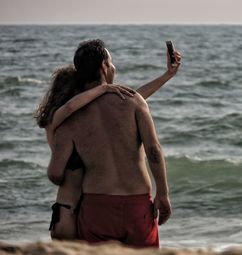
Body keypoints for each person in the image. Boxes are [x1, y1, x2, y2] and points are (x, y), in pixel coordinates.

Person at [44, 39, 181, 247]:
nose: (114, 67)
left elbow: (55, 172)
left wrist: (167, 75)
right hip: (137, 205)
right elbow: (153, 150)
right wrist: (162, 193)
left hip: (96, 207)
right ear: (104, 66)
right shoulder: (133, 101)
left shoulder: (69, 116)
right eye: (112, 62)